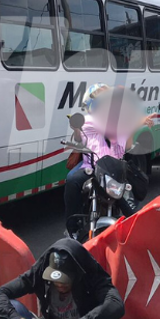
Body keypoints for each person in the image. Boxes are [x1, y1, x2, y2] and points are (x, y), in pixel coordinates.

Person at [0, 239, 123, 319]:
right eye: (55, 281)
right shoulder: (39, 272)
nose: (59, 285)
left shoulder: (91, 276)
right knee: (7, 311)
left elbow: (115, 305)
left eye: (65, 281)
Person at [63, 86, 150, 239]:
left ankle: (136, 231)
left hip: (115, 170)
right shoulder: (90, 121)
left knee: (130, 202)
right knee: (72, 182)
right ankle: (74, 228)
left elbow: (127, 145)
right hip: (93, 169)